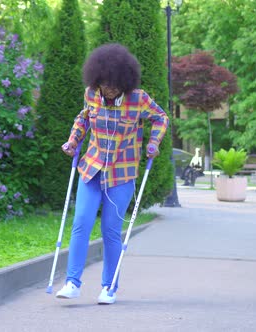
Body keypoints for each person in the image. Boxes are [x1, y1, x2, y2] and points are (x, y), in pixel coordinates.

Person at [55, 43, 168, 304]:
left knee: (110, 229)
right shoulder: (91, 94)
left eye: (114, 85)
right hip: (92, 168)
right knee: (81, 222)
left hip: (121, 172)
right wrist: (73, 141)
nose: (109, 89)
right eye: (104, 84)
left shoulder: (138, 99)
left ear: (124, 82)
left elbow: (161, 118)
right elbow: (83, 119)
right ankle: (72, 282)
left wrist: (153, 143)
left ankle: (109, 287)